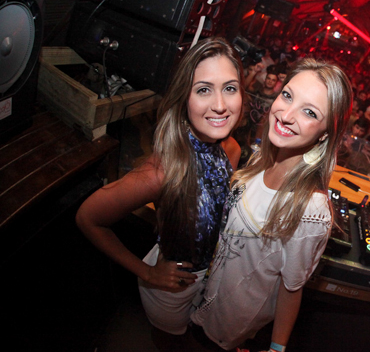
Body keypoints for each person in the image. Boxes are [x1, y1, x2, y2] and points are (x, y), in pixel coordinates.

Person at [75, 37, 245, 336]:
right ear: (183, 98)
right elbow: (88, 219)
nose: (220, 105)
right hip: (173, 288)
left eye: (229, 88)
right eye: (203, 90)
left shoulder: (231, 148)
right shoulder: (163, 171)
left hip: (214, 278)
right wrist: (148, 273)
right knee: (170, 340)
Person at [191, 58, 353, 351]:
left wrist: (276, 349)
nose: (286, 115)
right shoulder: (262, 158)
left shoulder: (310, 209)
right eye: (287, 96)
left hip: (228, 321)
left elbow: (291, 288)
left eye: (309, 112)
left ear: (326, 133)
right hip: (202, 292)